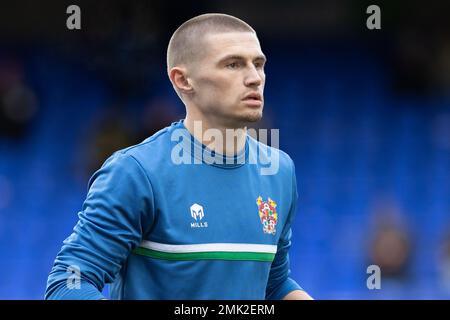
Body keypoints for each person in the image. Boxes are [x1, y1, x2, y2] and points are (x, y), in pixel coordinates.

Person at [45, 13, 312, 300]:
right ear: (183, 80)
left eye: (258, 64)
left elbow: (274, 284)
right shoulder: (137, 172)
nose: (254, 78)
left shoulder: (279, 170)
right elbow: (68, 283)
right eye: (233, 64)